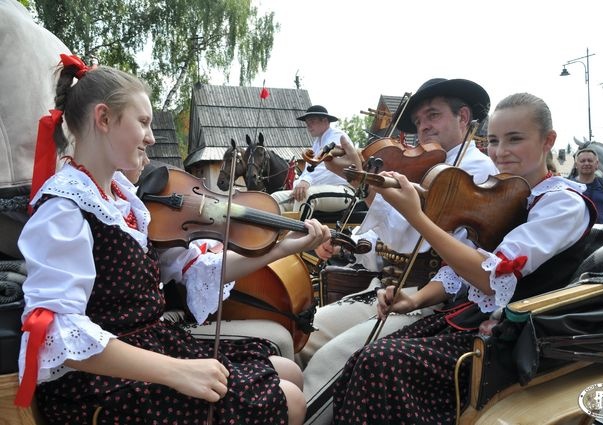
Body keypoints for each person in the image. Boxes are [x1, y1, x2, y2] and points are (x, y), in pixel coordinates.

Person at [15, 54, 331, 425]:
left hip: (149, 345)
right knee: (289, 398)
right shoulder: (65, 209)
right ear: (103, 119)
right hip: (99, 383)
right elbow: (56, 332)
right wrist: (177, 372)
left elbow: (202, 271)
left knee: (288, 372)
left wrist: (285, 246)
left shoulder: (123, 200)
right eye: (144, 122)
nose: (151, 136)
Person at [331, 92, 596, 424]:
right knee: (359, 359)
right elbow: (458, 271)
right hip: (467, 319)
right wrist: (414, 301)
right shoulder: (503, 192)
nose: (501, 152)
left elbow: (489, 276)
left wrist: (418, 217)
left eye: (515, 139)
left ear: (548, 141)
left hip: (513, 337)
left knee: (380, 363)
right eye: (495, 140)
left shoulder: (563, 204)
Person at [299, 78, 498, 422]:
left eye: (432, 116)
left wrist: (362, 179)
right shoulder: (418, 168)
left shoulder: (474, 174)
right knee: (303, 332)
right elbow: (387, 239)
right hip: (385, 290)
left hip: (428, 303)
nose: (423, 128)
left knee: (328, 362)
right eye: (419, 121)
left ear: (463, 117)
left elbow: (420, 245)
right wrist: (349, 235)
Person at [270, 105, 356, 215]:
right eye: (307, 122)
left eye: (312, 121)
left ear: (324, 121)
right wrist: (299, 185)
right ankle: (280, 232)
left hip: (344, 190)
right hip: (321, 190)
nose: (308, 125)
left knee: (307, 196)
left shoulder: (337, 136)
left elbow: (323, 167)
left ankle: (297, 232)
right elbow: (308, 170)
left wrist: (306, 182)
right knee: (275, 198)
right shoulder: (317, 143)